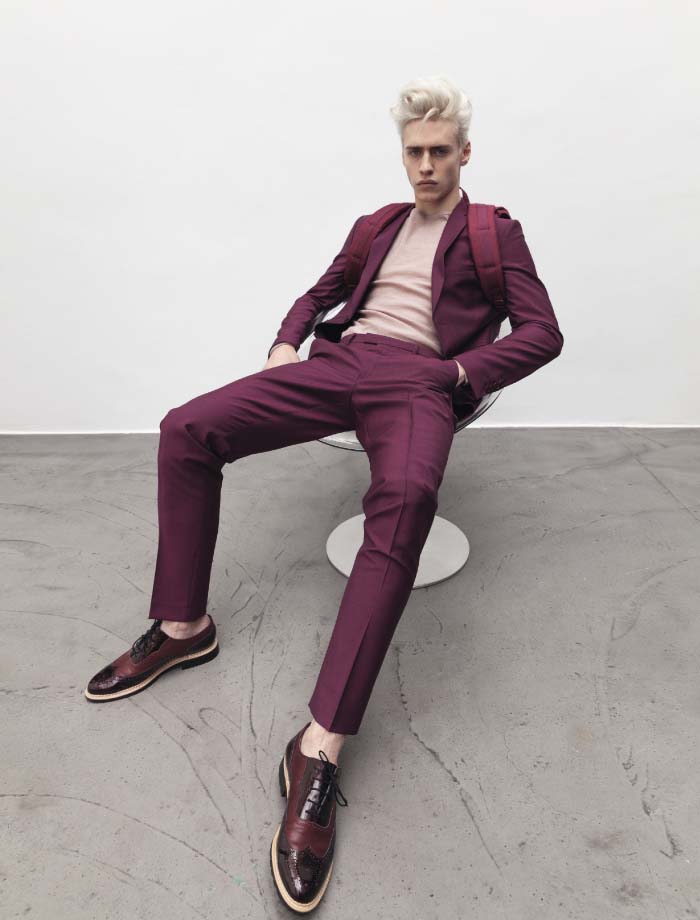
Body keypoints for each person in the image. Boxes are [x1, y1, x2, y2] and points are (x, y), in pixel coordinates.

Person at [83, 74, 563, 913]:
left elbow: (543, 331)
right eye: (413, 152)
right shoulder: (376, 224)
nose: (425, 165)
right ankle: (183, 626)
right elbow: (321, 291)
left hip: (421, 381)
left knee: (405, 502)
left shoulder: (494, 231)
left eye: (439, 151)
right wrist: (287, 339)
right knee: (186, 428)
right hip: (341, 364)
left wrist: (459, 373)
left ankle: (320, 747)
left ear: (464, 152)